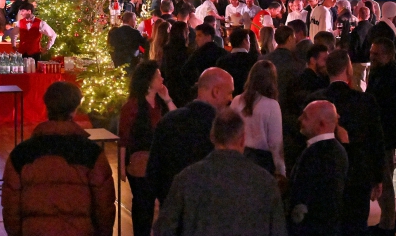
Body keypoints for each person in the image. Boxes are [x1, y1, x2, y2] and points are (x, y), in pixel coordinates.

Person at [2, 81, 115, 236]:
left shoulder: (21, 154)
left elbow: (11, 209)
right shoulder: (91, 153)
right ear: (74, 110)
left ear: (47, 107)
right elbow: (104, 207)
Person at [153, 110, 287, 236]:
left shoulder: (186, 179)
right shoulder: (265, 183)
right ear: (242, 139)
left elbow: (164, 229)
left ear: (212, 137)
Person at [307, 50, 385, 236]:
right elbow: (376, 141)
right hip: (358, 174)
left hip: (324, 174)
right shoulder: (365, 101)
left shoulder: (315, 101)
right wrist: (378, 177)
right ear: (349, 70)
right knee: (356, 226)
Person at [147, 68, 233, 204]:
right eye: (229, 93)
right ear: (216, 92)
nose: (231, 99)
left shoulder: (168, 120)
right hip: (208, 211)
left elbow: (153, 170)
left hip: (172, 206)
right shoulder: (222, 128)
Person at [119, 61, 177, 236]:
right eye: (158, 75)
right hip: (140, 161)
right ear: (148, 80)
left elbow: (177, 120)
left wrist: (167, 99)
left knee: (164, 203)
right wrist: (122, 166)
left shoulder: (160, 103)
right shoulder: (132, 106)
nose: (162, 78)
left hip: (160, 160)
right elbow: (124, 138)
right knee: (143, 206)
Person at [289, 100, 348, 236]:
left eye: (305, 117)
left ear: (321, 125)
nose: (299, 119)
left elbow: (305, 196)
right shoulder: (338, 150)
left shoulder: (315, 154)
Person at [366, 37, 396, 235]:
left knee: (384, 180)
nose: (371, 56)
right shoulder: (381, 72)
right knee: (385, 176)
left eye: (376, 54)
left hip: (385, 134)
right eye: (371, 53)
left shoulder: (390, 76)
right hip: (384, 133)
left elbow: (383, 106)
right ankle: (390, 220)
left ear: (388, 55)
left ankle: (388, 224)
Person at [230, 60, 284, 176]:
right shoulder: (272, 105)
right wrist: (281, 171)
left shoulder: (236, 101)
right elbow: (275, 143)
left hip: (238, 156)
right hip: (262, 161)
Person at [182, 23, 228, 88]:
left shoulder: (198, 53)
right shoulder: (223, 52)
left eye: (199, 35)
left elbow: (185, 70)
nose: (196, 39)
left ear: (208, 37)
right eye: (196, 36)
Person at [216, 28, 258, 95]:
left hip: (228, 97)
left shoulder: (222, 61)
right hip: (249, 98)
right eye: (249, 40)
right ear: (245, 41)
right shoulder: (254, 60)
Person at [160, 22, 191, 107]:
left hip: (169, 86)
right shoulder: (186, 51)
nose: (189, 32)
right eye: (187, 30)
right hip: (182, 88)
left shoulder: (166, 49)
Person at [349, 6, 373, 91]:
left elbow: (353, 48)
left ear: (358, 15)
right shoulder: (373, 29)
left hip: (358, 62)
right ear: (369, 16)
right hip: (370, 61)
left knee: (359, 88)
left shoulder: (356, 31)